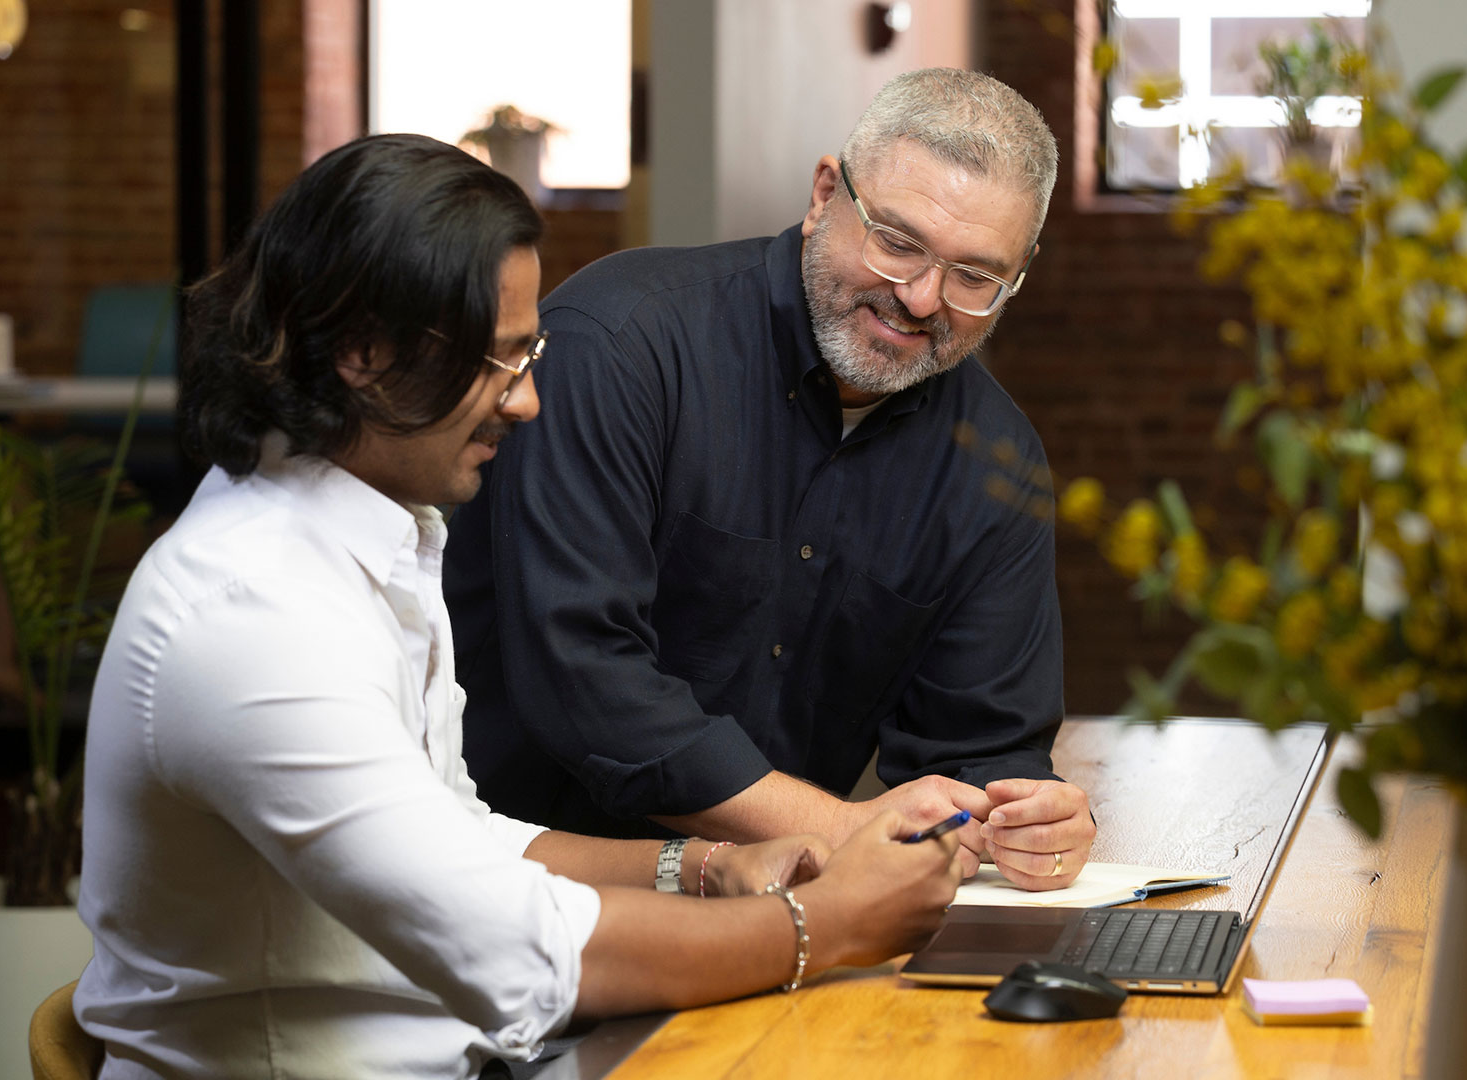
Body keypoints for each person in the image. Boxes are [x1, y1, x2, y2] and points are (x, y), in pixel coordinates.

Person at [73, 134, 962, 1080]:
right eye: (501, 361)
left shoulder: (379, 531)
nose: (529, 400)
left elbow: (457, 834)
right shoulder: (250, 616)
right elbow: (525, 955)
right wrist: (825, 927)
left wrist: (701, 869)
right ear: (367, 356)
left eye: (528, 353)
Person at [445, 68, 1096, 892]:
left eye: (974, 277)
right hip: (507, 893)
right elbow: (585, 680)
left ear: (1019, 276)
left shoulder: (995, 463)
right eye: (896, 243)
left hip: (771, 920)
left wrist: (1027, 819)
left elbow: (978, 748)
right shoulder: (618, 346)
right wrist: (841, 828)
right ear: (826, 195)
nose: (922, 298)